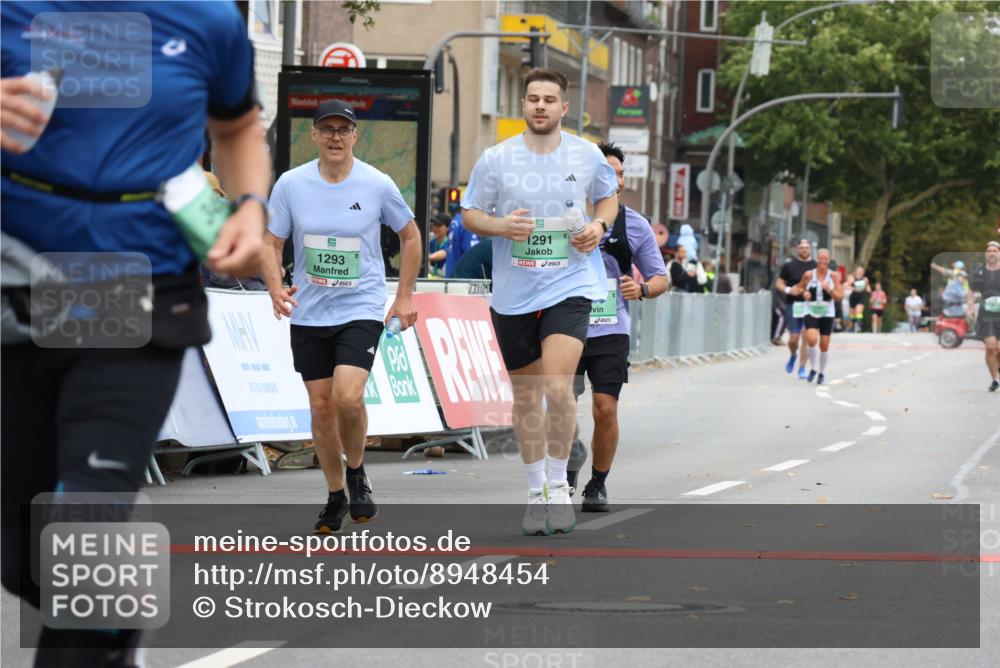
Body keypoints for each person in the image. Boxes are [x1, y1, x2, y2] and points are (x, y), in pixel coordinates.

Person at [1, 3, 269, 666]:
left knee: (81, 527)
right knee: (16, 550)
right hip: (15, 286)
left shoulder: (209, 20)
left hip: (140, 290)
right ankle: (114, 635)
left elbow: (236, 129)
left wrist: (250, 209)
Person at [461, 68, 618, 535]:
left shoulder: (587, 155)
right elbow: (470, 214)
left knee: (557, 386)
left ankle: (558, 486)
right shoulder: (496, 159)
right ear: (524, 105)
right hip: (514, 294)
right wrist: (500, 226)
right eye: (533, 99)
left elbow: (607, 200)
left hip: (571, 283)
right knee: (528, 395)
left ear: (564, 107)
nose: (541, 106)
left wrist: (599, 227)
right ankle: (535, 494)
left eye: (550, 99)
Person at [261, 98, 421, 533]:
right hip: (311, 311)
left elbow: (410, 235)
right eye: (326, 129)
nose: (335, 137)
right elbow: (272, 243)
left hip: (361, 307)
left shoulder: (377, 183)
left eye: (343, 130)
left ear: (354, 135)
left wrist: (404, 296)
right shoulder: (291, 185)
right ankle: (334, 495)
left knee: (349, 397)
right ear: (313, 135)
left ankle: (357, 473)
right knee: (320, 406)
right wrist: (276, 287)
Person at [567, 142, 667, 511]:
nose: (619, 180)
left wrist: (640, 289)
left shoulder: (635, 225)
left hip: (611, 328)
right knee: (560, 407)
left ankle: (597, 482)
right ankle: (572, 451)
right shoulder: (565, 216)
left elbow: (660, 278)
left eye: (621, 174)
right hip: (567, 323)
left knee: (605, 409)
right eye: (610, 172)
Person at [795, 249, 843, 385]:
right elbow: (799, 288)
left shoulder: (833, 276)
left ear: (828, 261)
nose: (823, 261)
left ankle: (821, 372)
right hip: (810, 310)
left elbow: (839, 297)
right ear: (817, 259)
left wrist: (829, 289)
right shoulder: (808, 275)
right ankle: (813, 368)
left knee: (824, 345)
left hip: (827, 312)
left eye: (825, 259)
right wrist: (804, 293)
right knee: (811, 339)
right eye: (820, 258)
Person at [775, 239, 817, 379]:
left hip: (810, 305)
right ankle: (793, 355)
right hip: (794, 304)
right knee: (793, 339)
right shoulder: (789, 266)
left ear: (810, 249)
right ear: (797, 249)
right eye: (802, 248)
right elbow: (779, 283)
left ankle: (802, 369)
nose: (804, 250)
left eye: (807, 247)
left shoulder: (815, 266)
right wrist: (788, 290)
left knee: (806, 337)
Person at [969, 240, 1000, 391]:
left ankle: (998, 368)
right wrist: (970, 307)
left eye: (994, 250)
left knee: (999, 350)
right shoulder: (979, 272)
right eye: (989, 251)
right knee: (990, 347)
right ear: (986, 254)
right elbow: (971, 290)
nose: (992, 253)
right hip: (986, 314)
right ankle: (995, 380)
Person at [444, 210, 480, 277]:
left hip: (451, 276)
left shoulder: (456, 220)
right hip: (464, 279)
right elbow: (473, 256)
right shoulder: (470, 222)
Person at [847, 266, 871, 332]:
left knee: (858, 311)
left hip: (861, 297)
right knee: (852, 313)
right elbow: (846, 286)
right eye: (858, 271)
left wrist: (867, 287)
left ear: (863, 272)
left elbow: (868, 289)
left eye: (861, 271)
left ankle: (858, 326)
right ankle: (851, 327)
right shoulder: (852, 278)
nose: (860, 272)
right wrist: (854, 289)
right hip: (853, 297)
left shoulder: (865, 279)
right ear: (856, 271)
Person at [427, 213, 450, 277]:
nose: (435, 228)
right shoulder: (431, 242)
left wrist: (427, 258)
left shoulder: (450, 243)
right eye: (434, 224)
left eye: (439, 225)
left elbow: (445, 253)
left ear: (447, 228)